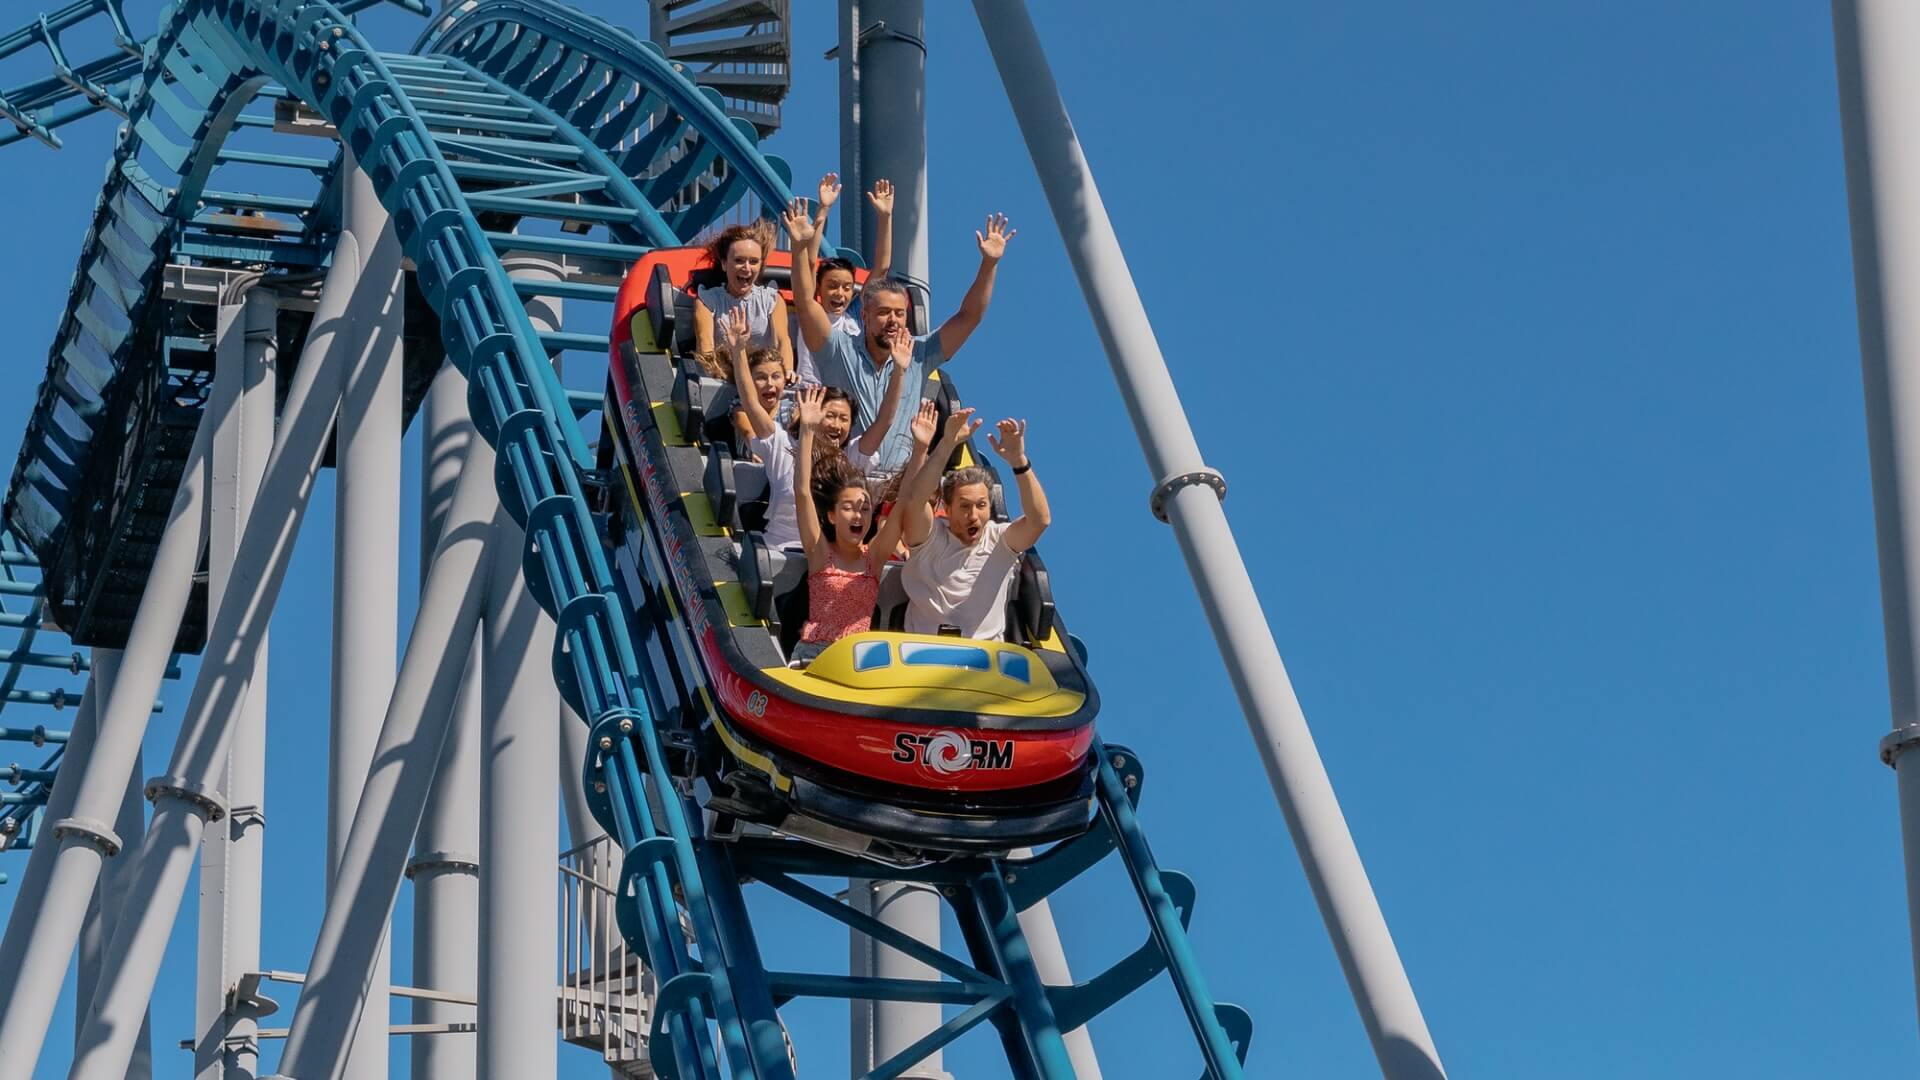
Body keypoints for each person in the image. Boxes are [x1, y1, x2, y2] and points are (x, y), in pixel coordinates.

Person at [787, 198, 1016, 472]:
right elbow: (805, 302)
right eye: (884, 312)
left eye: (899, 313)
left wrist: (989, 265)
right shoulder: (838, 347)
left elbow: (969, 317)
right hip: (847, 478)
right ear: (865, 316)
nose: (893, 320)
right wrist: (800, 248)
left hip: (899, 483)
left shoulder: (921, 352)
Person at [724, 306, 910, 551]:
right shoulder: (782, 445)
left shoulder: (851, 458)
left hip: (828, 559)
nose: (837, 424)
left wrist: (899, 371)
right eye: (830, 416)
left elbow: (885, 421)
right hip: (778, 552)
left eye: (844, 419)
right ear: (812, 414)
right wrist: (738, 352)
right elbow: (750, 404)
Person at [786, 387, 941, 666]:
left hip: (857, 659)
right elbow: (802, 492)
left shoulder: (875, 556)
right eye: (849, 508)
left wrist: (920, 448)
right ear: (832, 516)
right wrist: (807, 431)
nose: (858, 515)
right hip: (814, 654)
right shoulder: (820, 552)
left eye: (865, 508)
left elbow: (904, 501)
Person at [894, 413, 1050, 641]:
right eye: (965, 506)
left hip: (982, 661)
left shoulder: (1000, 539)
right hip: (923, 656)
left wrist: (1018, 461)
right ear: (947, 508)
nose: (973, 515)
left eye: (981, 505)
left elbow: (1039, 521)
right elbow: (915, 500)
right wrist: (948, 443)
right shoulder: (930, 536)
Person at [794, 173, 893, 385]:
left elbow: (882, 268)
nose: (840, 293)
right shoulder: (812, 311)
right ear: (819, 288)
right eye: (832, 286)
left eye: (847, 287)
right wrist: (823, 209)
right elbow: (810, 262)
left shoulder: (856, 318)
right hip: (811, 393)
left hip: (847, 399)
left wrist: (885, 218)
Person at [691, 219, 793, 379]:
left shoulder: (771, 300)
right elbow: (705, 345)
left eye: (753, 262)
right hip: (723, 379)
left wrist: (786, 372)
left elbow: (782, 341)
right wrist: (722, 376)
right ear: (724, 264)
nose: (746, 268)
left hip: (763, 381)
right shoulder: (707, 301)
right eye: (739, 261)